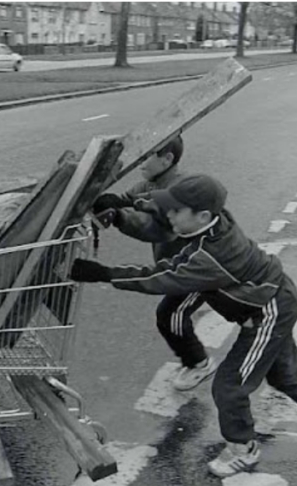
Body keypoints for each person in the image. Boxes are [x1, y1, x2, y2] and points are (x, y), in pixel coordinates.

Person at [70, 174, 297, 477]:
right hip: (272, 296)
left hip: (269, 311)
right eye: (170, 208)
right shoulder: (212, 218)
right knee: (285, 375)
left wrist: (104, 273)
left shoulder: (213, 257)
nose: (169, 215)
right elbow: (162, 208)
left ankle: (243, 448)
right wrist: (124, 204)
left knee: (230, 384)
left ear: (201, 215)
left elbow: (159, 277)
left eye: (176, 211)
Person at [91, 136, 214, 391]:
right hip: (180, 266)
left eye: (147, 156)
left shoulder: (180, 189)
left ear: (167, 159)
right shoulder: (150, 183)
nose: (140, 162)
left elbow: (160, 229)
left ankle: (200, 363)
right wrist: (108, 204)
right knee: (173, 314)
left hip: (202, 266)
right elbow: (128, 199)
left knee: (171, 314)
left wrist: (120, 217)